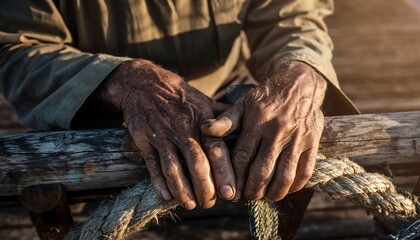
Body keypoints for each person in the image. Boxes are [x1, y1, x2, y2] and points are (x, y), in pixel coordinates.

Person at [0, 0, 358, 211]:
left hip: (227, 104)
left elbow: (294, 14)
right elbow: (16, 48)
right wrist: (124, 80)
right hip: (96, 112)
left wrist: (302, 73)